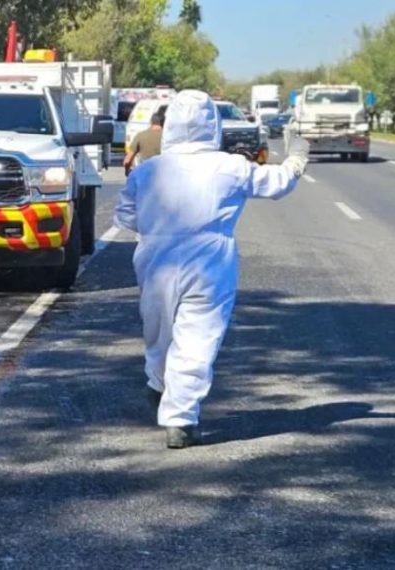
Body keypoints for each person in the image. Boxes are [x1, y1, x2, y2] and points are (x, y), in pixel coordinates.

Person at [113, 90, 309, 449]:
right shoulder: (230, 166)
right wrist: (296, 160)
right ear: (212, 125)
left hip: (156, 257)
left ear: (171, 125)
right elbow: (277, 182)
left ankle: (159, 385)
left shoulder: (149, 170)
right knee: (198, 336)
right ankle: (180, 418)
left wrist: (157, 228)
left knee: (159, 329)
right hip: (210, 259)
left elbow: (125, 215)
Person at [123, 108, 166, 176]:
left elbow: (127, 160)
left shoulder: (140, 136)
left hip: (145, 175)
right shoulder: (168, 137)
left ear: (151, 122)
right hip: (163, 175)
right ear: (164, 123)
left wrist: (127, 171)